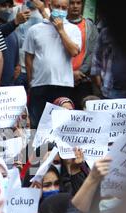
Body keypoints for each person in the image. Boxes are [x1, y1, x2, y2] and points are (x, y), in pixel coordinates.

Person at [23, 0, 82, 128]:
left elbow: (74, 51)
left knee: (60, 127)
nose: (60, 10)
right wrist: (31, 82)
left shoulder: (73, 29)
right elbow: (28, 59)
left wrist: (61, 30)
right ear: (50, 6)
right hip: (39, 85)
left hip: (63, 85)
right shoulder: (35, 30)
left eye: (64, 8)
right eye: (57, 6)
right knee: (36, 126)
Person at [67, 0, 98, 109]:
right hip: (62, 79)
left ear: (82, 5)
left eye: (78, 3)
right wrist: (69, 74)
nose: (75, 6)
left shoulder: (89, 26)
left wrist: (80, 72)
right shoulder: (60, 25)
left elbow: (93, 52)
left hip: (83, 80)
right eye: (72, 3)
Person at [14, 0, 48, 91]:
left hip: (39, 71)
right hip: (19, 69)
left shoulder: (47, 12)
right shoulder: (16, 10)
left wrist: (43, 11)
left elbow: (54, 32)